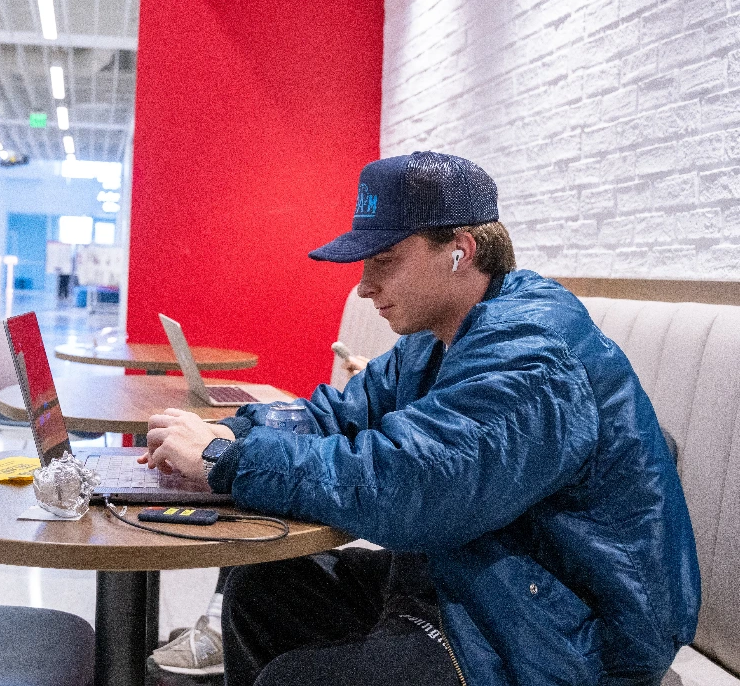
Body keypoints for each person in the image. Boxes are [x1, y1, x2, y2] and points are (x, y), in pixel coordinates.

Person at [140, 150, 700, 686]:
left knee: (295, 680)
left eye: (384, 261)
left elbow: (413, 483)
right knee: (262, 589)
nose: (365, 286)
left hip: (569, 633)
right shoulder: (437, 338)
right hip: (483, 574)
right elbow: (342, 413)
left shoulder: (529, 354)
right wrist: (232, 431)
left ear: (461, 249)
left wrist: (225, 459)